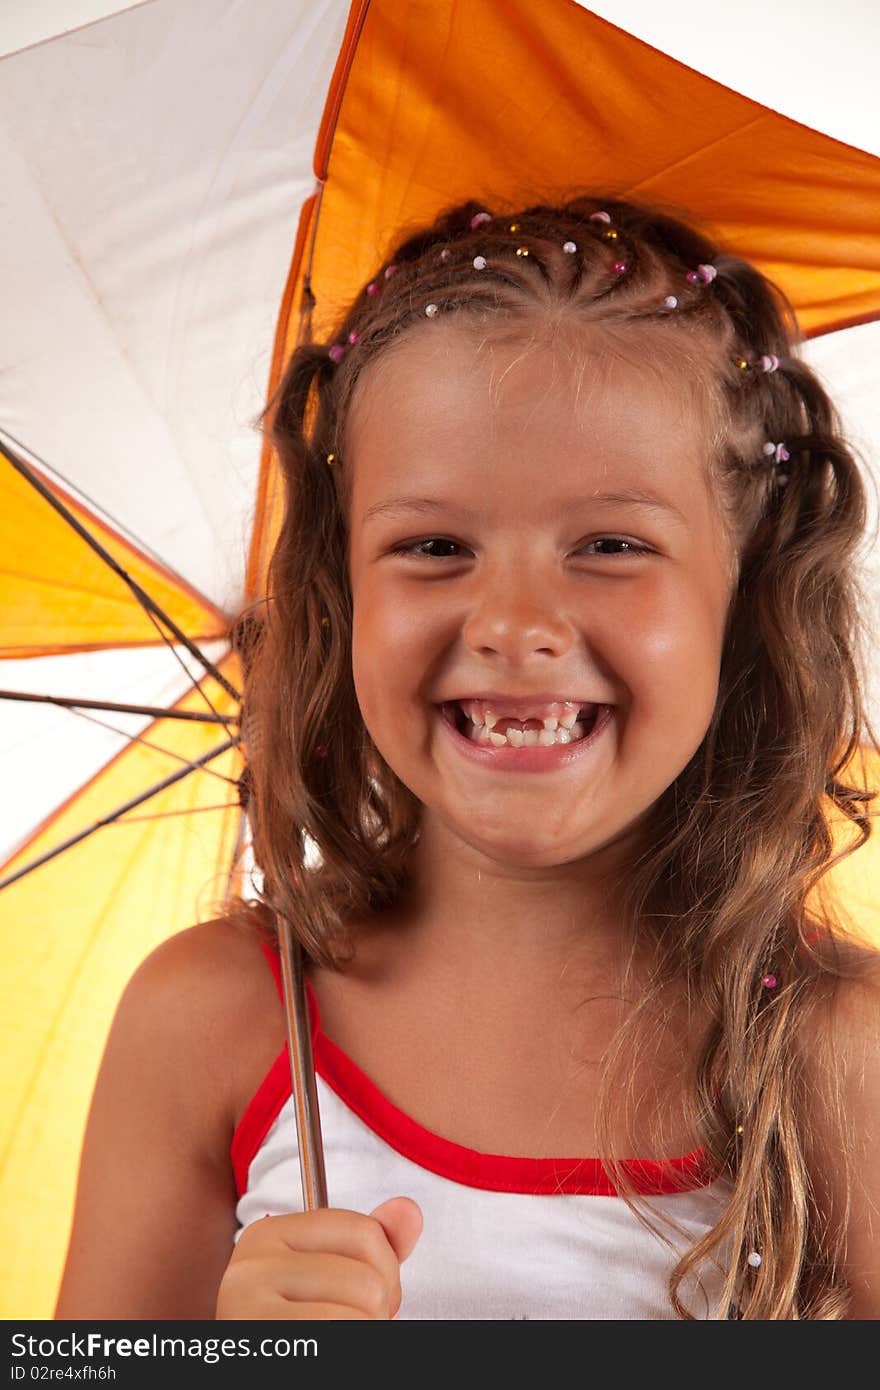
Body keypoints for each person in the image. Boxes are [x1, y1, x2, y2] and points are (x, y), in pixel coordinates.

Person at [55, 194, 880, 1321]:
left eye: (609, 545)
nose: (512, 622)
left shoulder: (836, 1059)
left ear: (745, 601)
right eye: (434, 547)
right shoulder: (214, 1023)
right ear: (342, 596)